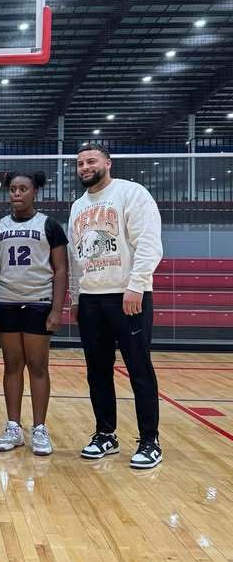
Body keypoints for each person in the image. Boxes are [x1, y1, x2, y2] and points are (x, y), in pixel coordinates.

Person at [69, 143, 163, 469]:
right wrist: (76, 296)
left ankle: (150, 440)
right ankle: (105, 434)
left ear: (107, 163)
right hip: (91, 298)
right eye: (80, 163)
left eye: (90, 161)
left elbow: (149, 243)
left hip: (127, 295)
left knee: (139, 369)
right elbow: (75, 256)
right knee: (97, 371)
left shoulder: (131, 193)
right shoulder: (78, 205)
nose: (84, 167)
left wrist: (136, 285)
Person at [0, 171, 68, 456]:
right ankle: (13, 426)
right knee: (12, 366)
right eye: (13, 189)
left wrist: (57, 309)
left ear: (35, 191)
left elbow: (61, 269)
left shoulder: (49, 225)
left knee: (37, 366)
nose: (17, 193)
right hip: (7, 302)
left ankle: (39, 428)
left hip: (38, 302)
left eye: (23, 189)